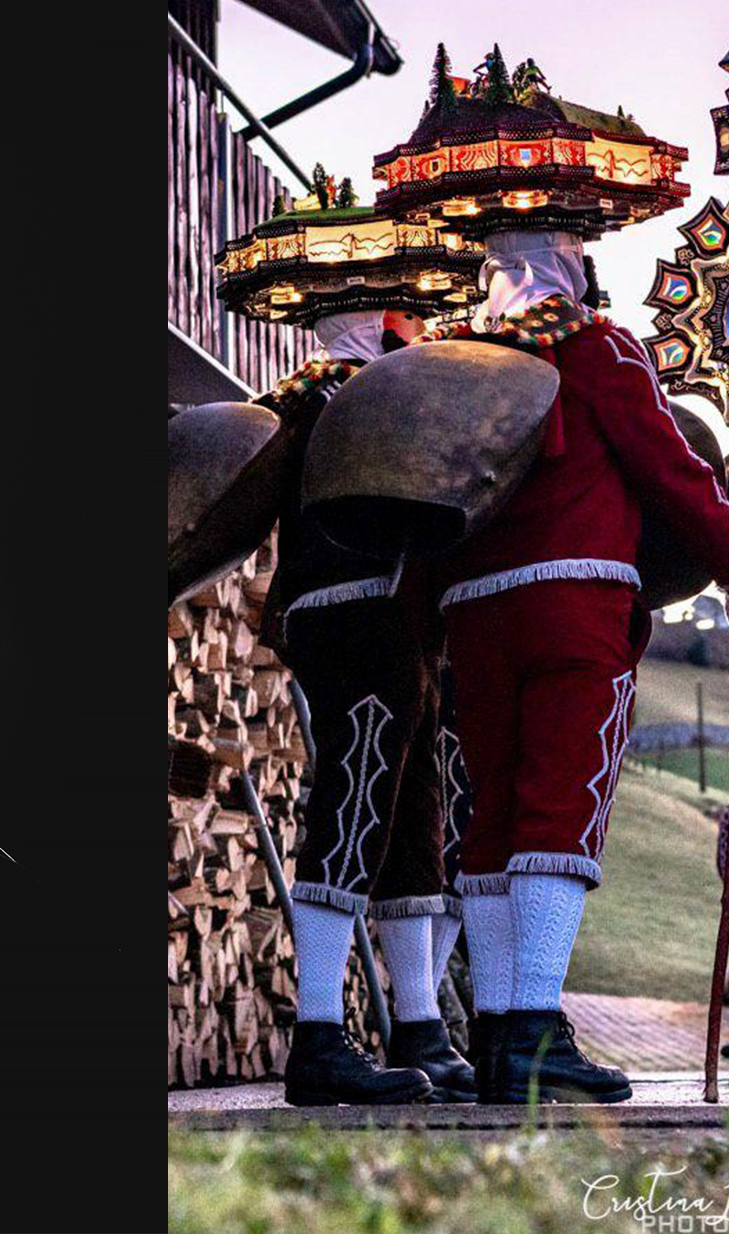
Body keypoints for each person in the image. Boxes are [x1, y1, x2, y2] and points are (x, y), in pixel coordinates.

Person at [431, 229, 729, 1102]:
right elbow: (673, 470)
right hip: (575, 601)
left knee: (492, 814)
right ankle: (536, 1031)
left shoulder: (457, 368)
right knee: (559, 804)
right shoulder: (596, 350)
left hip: (473, 612)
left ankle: (498, 1030)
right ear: (567, 261)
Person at [256, 308, 476, 1106]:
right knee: (355, 805)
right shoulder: (350, 395)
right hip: (359, 609)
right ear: (377, 316)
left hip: (385, 616)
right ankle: (317, 1033)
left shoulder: (297, 398)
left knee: (410, 814)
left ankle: (419, 1025)